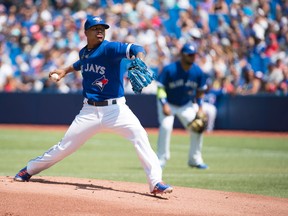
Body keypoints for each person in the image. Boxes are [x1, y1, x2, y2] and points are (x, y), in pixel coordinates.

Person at [14, 16, 173, 195]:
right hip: (89, 111)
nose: (100, 31)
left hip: (116, 110)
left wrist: (140, 60)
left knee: (140, 136)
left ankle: (156, 182)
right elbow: (81, 63)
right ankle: (29, 169)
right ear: (86, 32)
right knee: (64, 147)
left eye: (102, 28)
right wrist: (65, 70)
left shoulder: (110, 48)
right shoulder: (84, 52)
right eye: (95, 28)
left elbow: (137, 48)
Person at [156, 42, 209, 169]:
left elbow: (201, 91)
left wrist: (200, 109)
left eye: (194, 54)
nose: (192, 57)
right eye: (189, 54)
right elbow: (160, 88)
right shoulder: (170, 69)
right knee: (166, 126)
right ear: (182, 55)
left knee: (198, 127)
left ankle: (195, 159)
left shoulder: (198, 72)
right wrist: (164, 104)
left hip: (186, 104)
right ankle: (161, 159)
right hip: (168, 102)